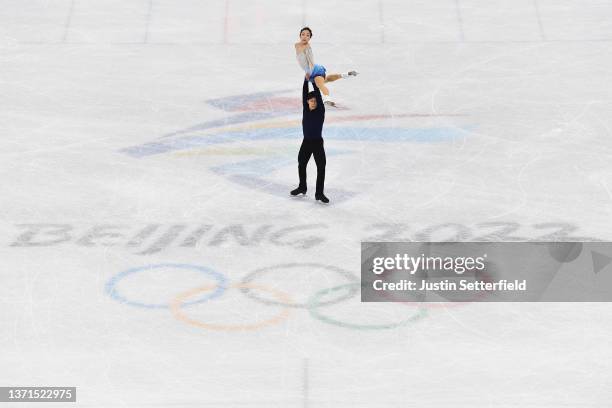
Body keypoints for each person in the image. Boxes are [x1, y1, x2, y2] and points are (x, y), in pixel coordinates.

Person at [295, 26, 358, 107]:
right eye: (303, 34)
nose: (305, 37)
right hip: (310, 72)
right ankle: (346, 74)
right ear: (300, 35)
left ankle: (327, 98)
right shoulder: (296, 45)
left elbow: (311, 62)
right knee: (326, 79)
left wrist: (308, 72)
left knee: (320, 84)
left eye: (308, 35)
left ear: (310, 38)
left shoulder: (308, 48)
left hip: (314, 71)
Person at [290, 77, 329, 203]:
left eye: (315, 101)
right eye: (311, 101)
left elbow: (317, 93)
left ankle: (319, 193)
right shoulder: (306, 110)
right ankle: (302, 187)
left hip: (317, 143)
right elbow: (304, 93)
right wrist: (305, 80)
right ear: (307, 102)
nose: (313, 102)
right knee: (301, 163)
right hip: (306, 142)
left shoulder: (320, 111)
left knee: (321, 167)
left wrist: (313, 82)